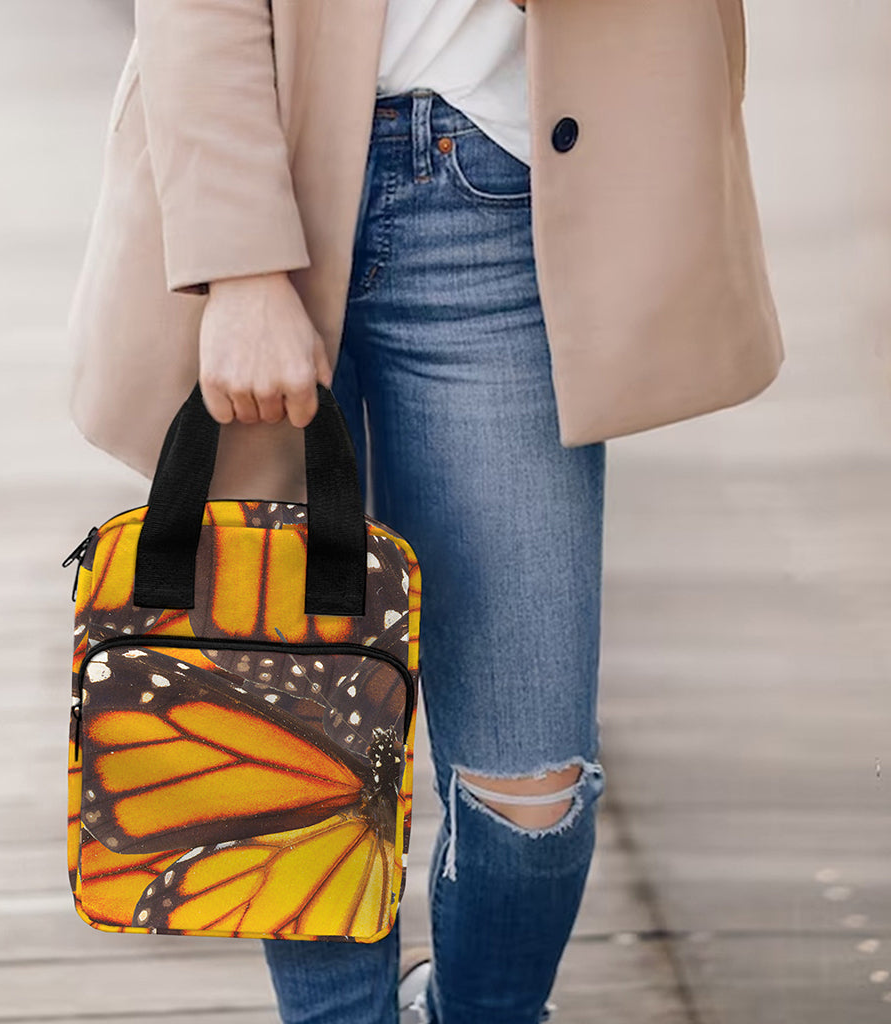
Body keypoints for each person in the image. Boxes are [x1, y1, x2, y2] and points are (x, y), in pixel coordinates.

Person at [65, 1, 784, 1021]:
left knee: (529, 797)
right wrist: (240, 266)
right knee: (289, 728)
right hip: (266, 168)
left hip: (505, 188)